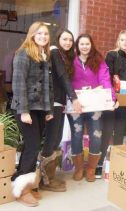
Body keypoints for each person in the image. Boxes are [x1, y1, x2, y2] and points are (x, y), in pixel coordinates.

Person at [10, 21, 54, 207]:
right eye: (39, 33)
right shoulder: (23, 54)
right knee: (33, 146)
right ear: (32, 35)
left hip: (39, 109)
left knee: (31, 146)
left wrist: (49, 110)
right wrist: (23, 111)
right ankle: (22, 190)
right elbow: (18, 84)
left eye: (45, 34)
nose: (43, 36)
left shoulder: (45, 55)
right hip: (25, 108)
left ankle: (20, 182)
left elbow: (48, 87)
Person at [38, 29, 82, 192]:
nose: (68, 42)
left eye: (70, 40)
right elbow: (62, 76)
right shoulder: (55, 51)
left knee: (55, 139)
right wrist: (74, 98)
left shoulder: (66, 56)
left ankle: (49, 177)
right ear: (58, 40)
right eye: (65, 39)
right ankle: (45, 180)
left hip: (60, 103)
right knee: (51, 139)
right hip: (53, 102)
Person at [95, 30, 126, 178]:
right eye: (121, 40)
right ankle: (99, 163)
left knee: (120, 133)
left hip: (125, 102)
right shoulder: (112, 56)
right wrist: (113, 99)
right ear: (118, 42)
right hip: (111, 100)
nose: (124, 43)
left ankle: (116, 164)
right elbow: (106, 77)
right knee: (107, 131)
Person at [68, 34, 115, 182]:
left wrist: (111, 99)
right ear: (77, 46)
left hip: (95, 104)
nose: (84, 46)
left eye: (87, 43)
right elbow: (66, 80)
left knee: (96, 135)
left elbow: (105, 80)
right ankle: (79, 168)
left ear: (91, 45)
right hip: (76, 105)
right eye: (81, 44)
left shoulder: (98, 61)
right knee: (76, 135)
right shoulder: (71, 61)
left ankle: (91, 169)